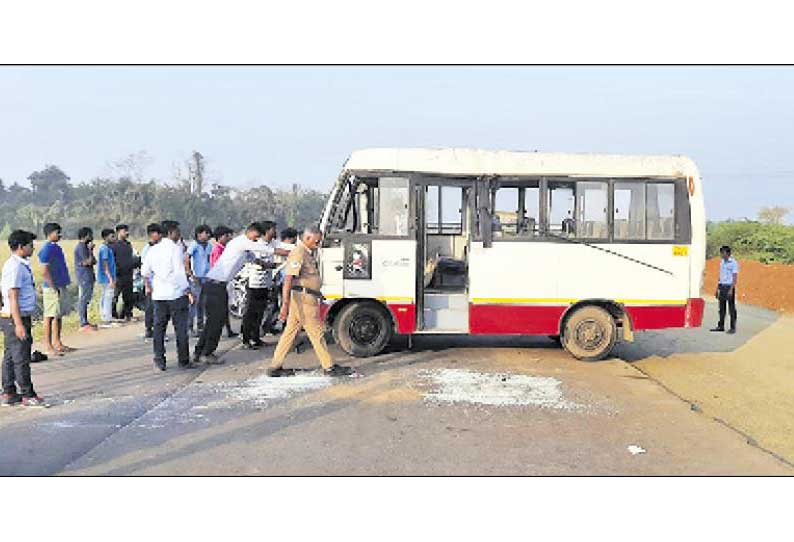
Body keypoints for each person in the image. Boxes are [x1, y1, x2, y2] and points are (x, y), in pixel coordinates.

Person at [193, 222, 288, 364]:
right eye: (255, 237)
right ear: (250, 232)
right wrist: (296, 253)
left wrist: (273, 266)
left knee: (213, 321)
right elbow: (272, 250)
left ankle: (200, 352)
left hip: (217, 286)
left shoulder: (244, 247)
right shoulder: (243, 242)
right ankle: (207, 353)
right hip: (215, 286)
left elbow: (256, 260)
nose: (256, 240)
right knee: (216, 322)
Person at [267, 226, 353, 378]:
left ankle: (275, 366)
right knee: (316, 333)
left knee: (290, 333)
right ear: (307, 239)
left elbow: (307, 278)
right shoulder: (299, 253)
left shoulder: (307, 253)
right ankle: (329, 367)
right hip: (303, 300)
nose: (318, 244)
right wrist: (285, 305)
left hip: (306, 297)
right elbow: (288, 279)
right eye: (316, 241)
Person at [1, 230, 48, 407]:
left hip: (13, 316)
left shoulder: (19, 264)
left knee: (11, 356)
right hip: (15, 317)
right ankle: (27, 394)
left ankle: (8, 392)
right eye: (30, 244)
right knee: (21, 357)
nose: (33, 248)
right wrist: (19, 323)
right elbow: (13, 296)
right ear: (21, 247)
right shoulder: (15, 267)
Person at [141, 221, 196, 371]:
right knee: (180, 329)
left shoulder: (153, 250)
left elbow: (145, 271)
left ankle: (159, 360)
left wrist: (150, 283)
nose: (179, 234)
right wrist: (188, 290)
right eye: (177, 231)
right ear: (171, 232)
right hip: (176, 294)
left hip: (159, 295)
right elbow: (179, 272)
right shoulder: (175, 249)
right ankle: (183, 360)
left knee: (159, 329)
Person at [38, 222, 74, 356]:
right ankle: (48, 345)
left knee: (58, 315)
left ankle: (58, 342)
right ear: (50, 233)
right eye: (57, 232)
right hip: (52, 287)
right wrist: (52, 286)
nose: (60, 235)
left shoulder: (56, 248)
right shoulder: (47, 249)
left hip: (60, 285)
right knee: (49, 315)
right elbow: (43, 269)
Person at [262, 226, 297, 336]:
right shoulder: (287, 247)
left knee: (277, 305)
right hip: (281, 280)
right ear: (291, 238)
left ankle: (272, 327)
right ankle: (267, 327)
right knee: (280, 305)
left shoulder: (278, 245)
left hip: (277, 279)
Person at [210, 226, 238, 338]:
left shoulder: (224, 249)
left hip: (223, 281)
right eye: (227, 236)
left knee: (225, 307)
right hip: (218, 282)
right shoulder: (218, 250)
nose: (229, 238)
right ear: (220, 237)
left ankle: (228, 329)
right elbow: (217, 266)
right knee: (220, 309)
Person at [185, 224, 213, 337]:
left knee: (203, 303)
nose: (207, 235)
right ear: (199, 234)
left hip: (206, 277)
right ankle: (189, 327)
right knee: (194, 303)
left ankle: (200, 327)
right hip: (196, 278)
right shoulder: (194, 245)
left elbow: (209, 260)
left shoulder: (209, 246)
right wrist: (190, 273)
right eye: (206, 233)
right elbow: (186, 258)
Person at [140, 223, 163, 340]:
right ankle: (149, 329)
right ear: (152, 235)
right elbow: (144, 269)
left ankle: (157, 329)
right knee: (150, 307)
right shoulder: (148, 248)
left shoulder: (161, 247)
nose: (159, 236)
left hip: (160, 283)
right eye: (157, 234)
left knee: (158, 308)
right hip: (151, 282)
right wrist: (147, 285)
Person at [111, 224, 137, 321]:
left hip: (128, 273)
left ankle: (127, 314)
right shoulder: (114, 246)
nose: (126, 233)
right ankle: (113, 315)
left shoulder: (128, 245)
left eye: (127, 231)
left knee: (128, 296)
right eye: (124, 231)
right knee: (115, 296)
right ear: (118, 232)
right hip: (118, 275)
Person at [711, 245, 739, 334]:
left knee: (731, 308)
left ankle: (733, 327)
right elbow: (721, 276)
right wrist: (717, 289)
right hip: (722, 286)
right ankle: (721, 326)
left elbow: (734, 277)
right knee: (721, 308)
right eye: (721, 253)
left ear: (728, 253)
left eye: (723, 253)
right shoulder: (722, 262)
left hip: (729, 287)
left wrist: (731, 289)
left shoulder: (733, 263)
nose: (721, 255)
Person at [74, 227, 97, 332]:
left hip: (87, 276)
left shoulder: (84, 247)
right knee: (83, 299)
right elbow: (88, 262)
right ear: (86, 235)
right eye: (90, 234)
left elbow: (94, 261)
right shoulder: (82, 247)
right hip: (84, 276)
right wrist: (90, 250)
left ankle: (85, 321)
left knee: (86, 299)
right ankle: (83, 322)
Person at [97, 228, 118, 329]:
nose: (114, 238)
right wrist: (111, 279)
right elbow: (105, 265)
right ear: (106, 237)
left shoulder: (105, 247)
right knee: (108, 297)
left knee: (105, 296)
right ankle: (107, 319)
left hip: (106, 277)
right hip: (107, 277)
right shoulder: (105, 249)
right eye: (112, 236)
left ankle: (105, 316)